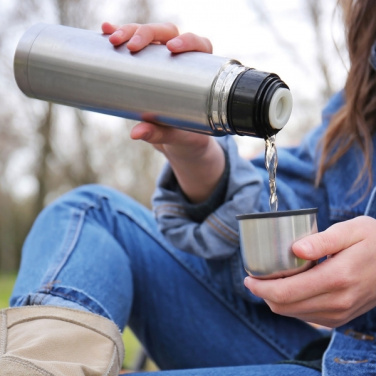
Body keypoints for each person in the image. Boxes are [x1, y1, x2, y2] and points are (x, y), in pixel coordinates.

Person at [1, 0, 376, 375]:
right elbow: (279, 221)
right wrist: (196, 154)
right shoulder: (360, 107)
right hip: (328, 352)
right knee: (90, 211)